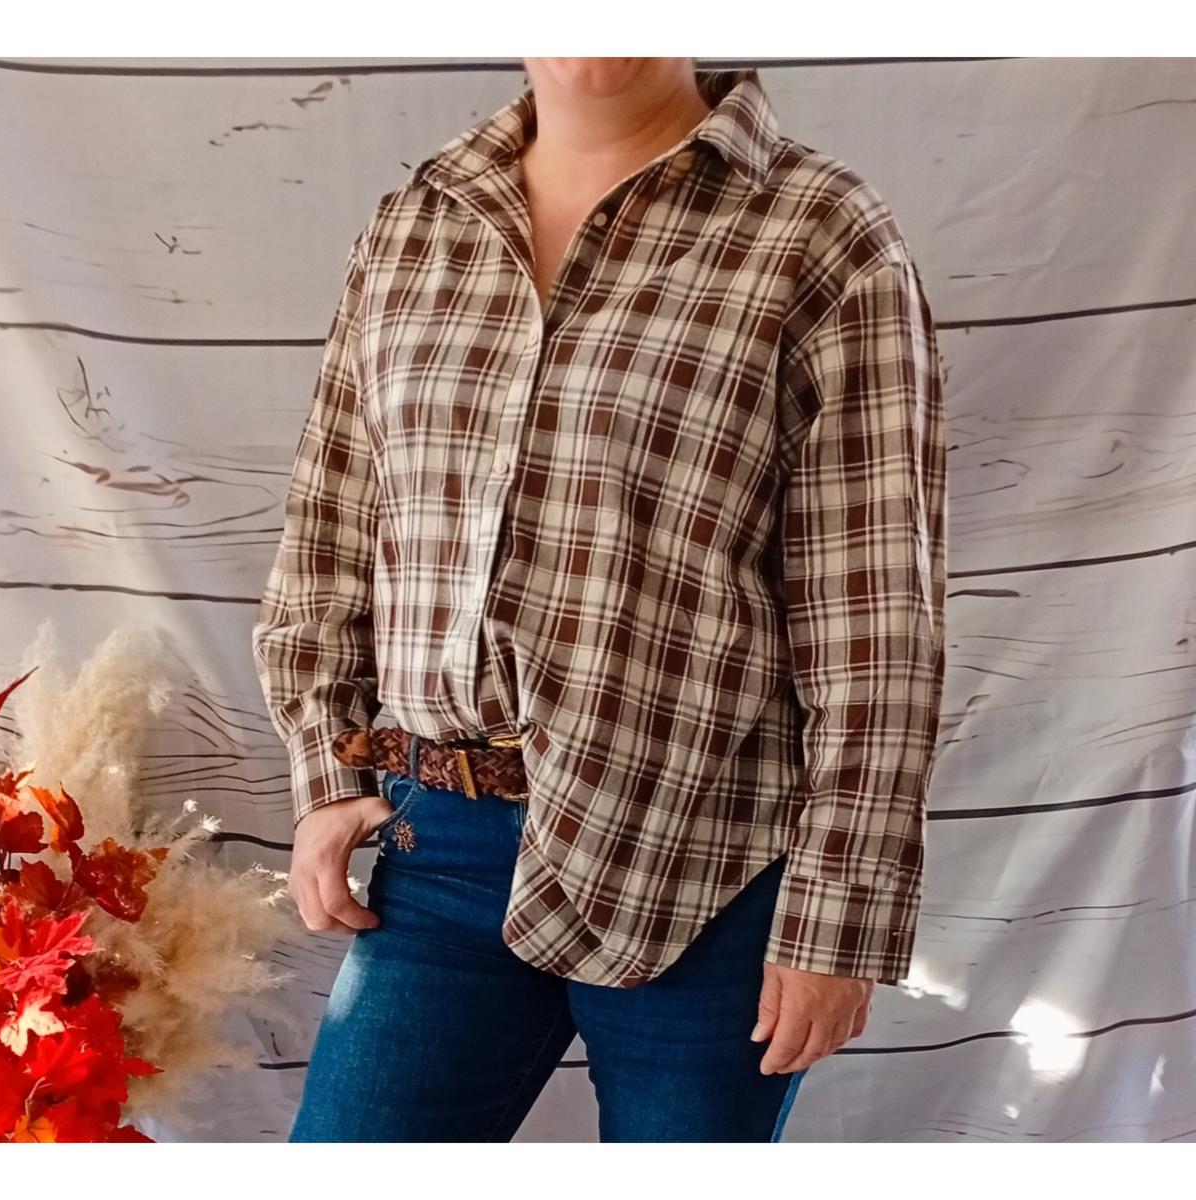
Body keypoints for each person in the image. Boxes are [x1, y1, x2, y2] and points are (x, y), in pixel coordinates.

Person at [251, 56, 946, 1143]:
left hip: (704, 864)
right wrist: (327, 776)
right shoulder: (414, 227)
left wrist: (839, 916)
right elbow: (331, 531)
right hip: (438, 853)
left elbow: (875, 625)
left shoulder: (819, 231)